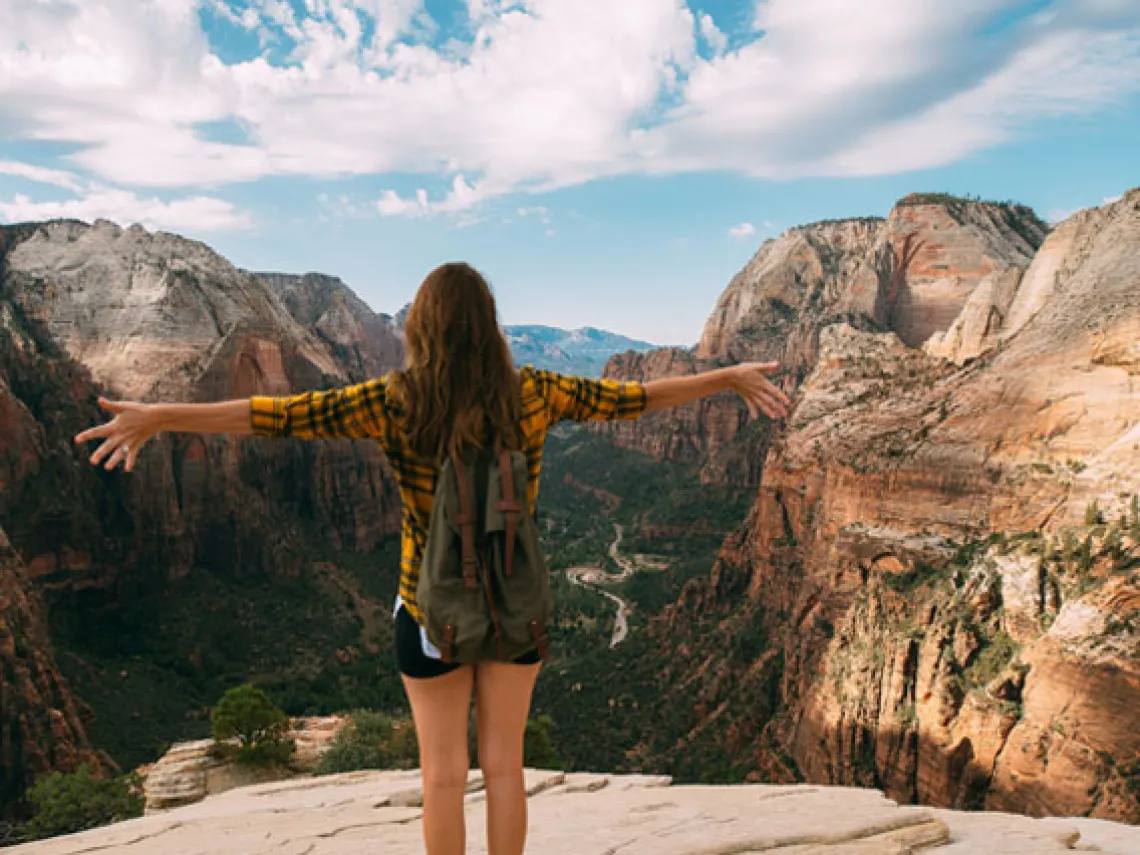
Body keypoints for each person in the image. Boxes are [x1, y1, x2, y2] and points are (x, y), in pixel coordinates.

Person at [74, 262, 790, 855]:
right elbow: (631, 400)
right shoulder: (534, 392)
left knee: (443, 774)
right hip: (516, 609)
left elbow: (277, 416)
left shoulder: (396, 399)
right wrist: (722, 378)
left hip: (427, 612)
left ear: (420, 328)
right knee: (505, 768)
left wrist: (163, 416)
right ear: (490, 325)